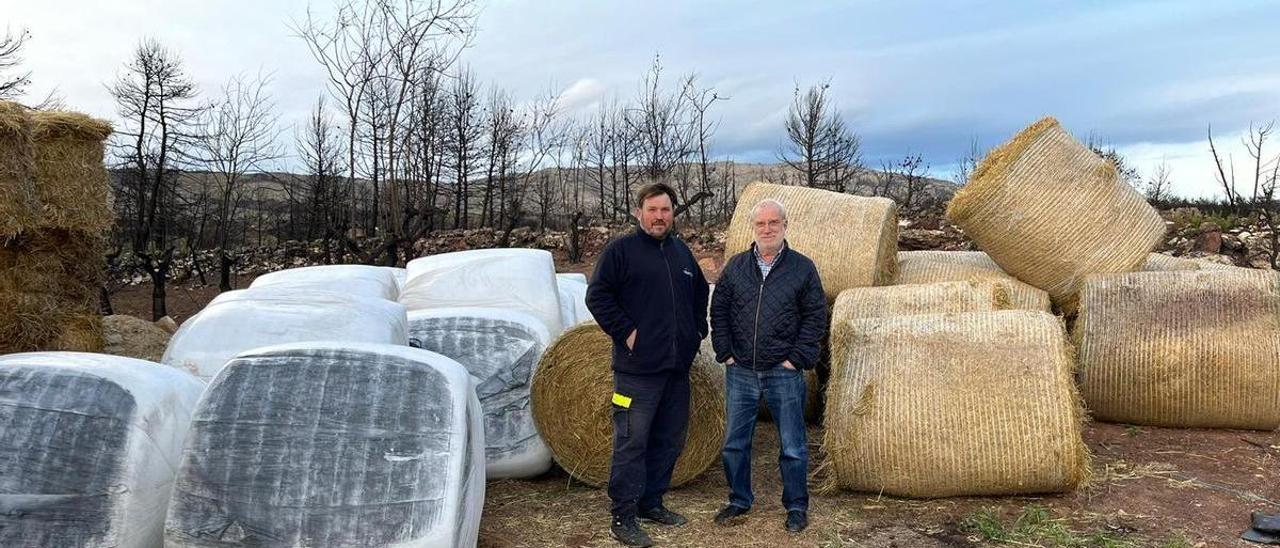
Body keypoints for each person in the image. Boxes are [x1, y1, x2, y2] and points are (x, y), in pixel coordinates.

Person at [586, 182, 710, 547]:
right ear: (639, 212)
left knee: (669, 440)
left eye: (666, 210)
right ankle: (622, 515)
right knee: (631, 442)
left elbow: (700, 294)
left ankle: (651, 502)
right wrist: (627, 332)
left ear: (673, 214)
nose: (660, 216)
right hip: (636, 373)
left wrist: (695, 331)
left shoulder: (681, 253)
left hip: (675, 370)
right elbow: (598, 295)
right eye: (653, 210)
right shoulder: (621, 251)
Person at [709, 198, 826, 533]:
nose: (767, 229)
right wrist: (725, 353)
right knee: (734, 441)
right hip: (741, 370)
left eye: (774, 223)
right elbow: (720, 311)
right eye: (761, 224)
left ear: (785, 226)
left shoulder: (802, 268)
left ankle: (796, 506)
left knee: (792, 445)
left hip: (783, 371)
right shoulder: (736, 266)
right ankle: (739, 500)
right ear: (753, 228)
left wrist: (796, 359)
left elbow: (815, 317)